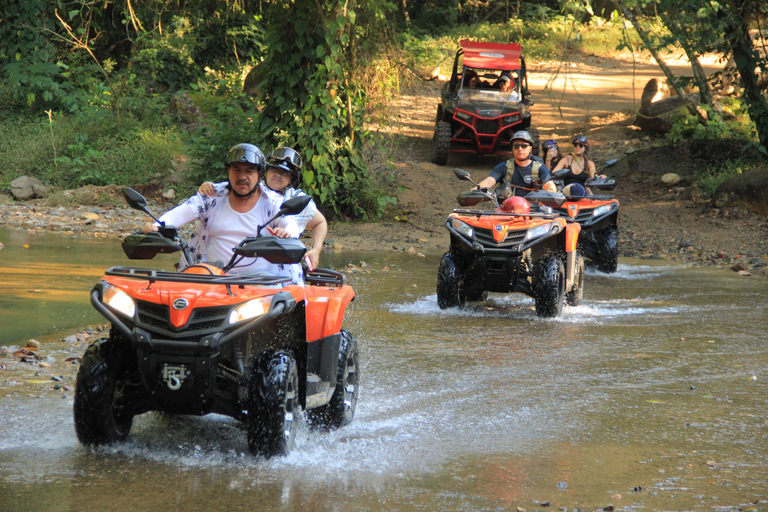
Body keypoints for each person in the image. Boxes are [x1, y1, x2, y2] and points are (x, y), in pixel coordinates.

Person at [145, 143, 303, 283]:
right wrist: (157, 226)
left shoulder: (273, 202)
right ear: (228, 170)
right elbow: (183, 212)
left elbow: (291, 224)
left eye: (249, 171)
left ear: (259, 173)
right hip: (212, 280)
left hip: (262, 285)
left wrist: (286, 233)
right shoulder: (212, 195)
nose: (242, 177)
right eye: (236, 170)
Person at [199, 146, 327, 271]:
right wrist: (208, 188)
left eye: (284, 173)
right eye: (275, 170)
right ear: (265, 171)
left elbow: (319, 222)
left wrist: (316, 250)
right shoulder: (251, 188)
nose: (278, 176)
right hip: (236, 261)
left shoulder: (295, 198)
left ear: (291, 179)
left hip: (280, 264)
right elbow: (226, 189)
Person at [474, 131, 557, 196]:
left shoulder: (540, 168)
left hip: (532, 211)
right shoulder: (503, 167)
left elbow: (549, 184)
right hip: (506, 211)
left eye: (524, 146)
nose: (520, 149)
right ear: (512, 149)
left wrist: (551, 191)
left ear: (530, 149)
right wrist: (475, 190)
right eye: (516, 146)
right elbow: (488, 182)